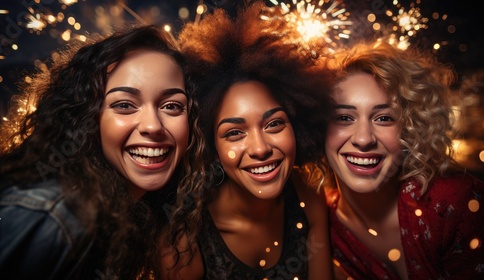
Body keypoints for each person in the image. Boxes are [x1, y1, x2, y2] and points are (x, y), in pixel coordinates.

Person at [0, 24, 196, 279]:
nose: (153, 126)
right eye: (125, 105)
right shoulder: (54, 215)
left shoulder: (133, 216)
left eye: (171, 106)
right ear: (88, 117)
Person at [158, 2, 334, 279]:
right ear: (211, 148)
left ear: (298, 127)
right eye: (234, 133)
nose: (261, 148)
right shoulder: (182, 245)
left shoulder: (308, 196)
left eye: (274, 124)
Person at [323, 41, 484, 279]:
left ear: (410, 128)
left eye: (384, 118)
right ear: (316, 129)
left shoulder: (454, 202)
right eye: (344, 117)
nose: (364, 139)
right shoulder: (320, 222)